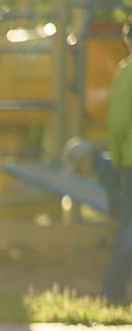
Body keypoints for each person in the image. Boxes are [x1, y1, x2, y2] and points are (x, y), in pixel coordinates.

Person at [102, 17, 132, 301]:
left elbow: (118, 122)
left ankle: (112, 292)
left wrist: (117, 157)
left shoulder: (127, 72)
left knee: (128, 228)